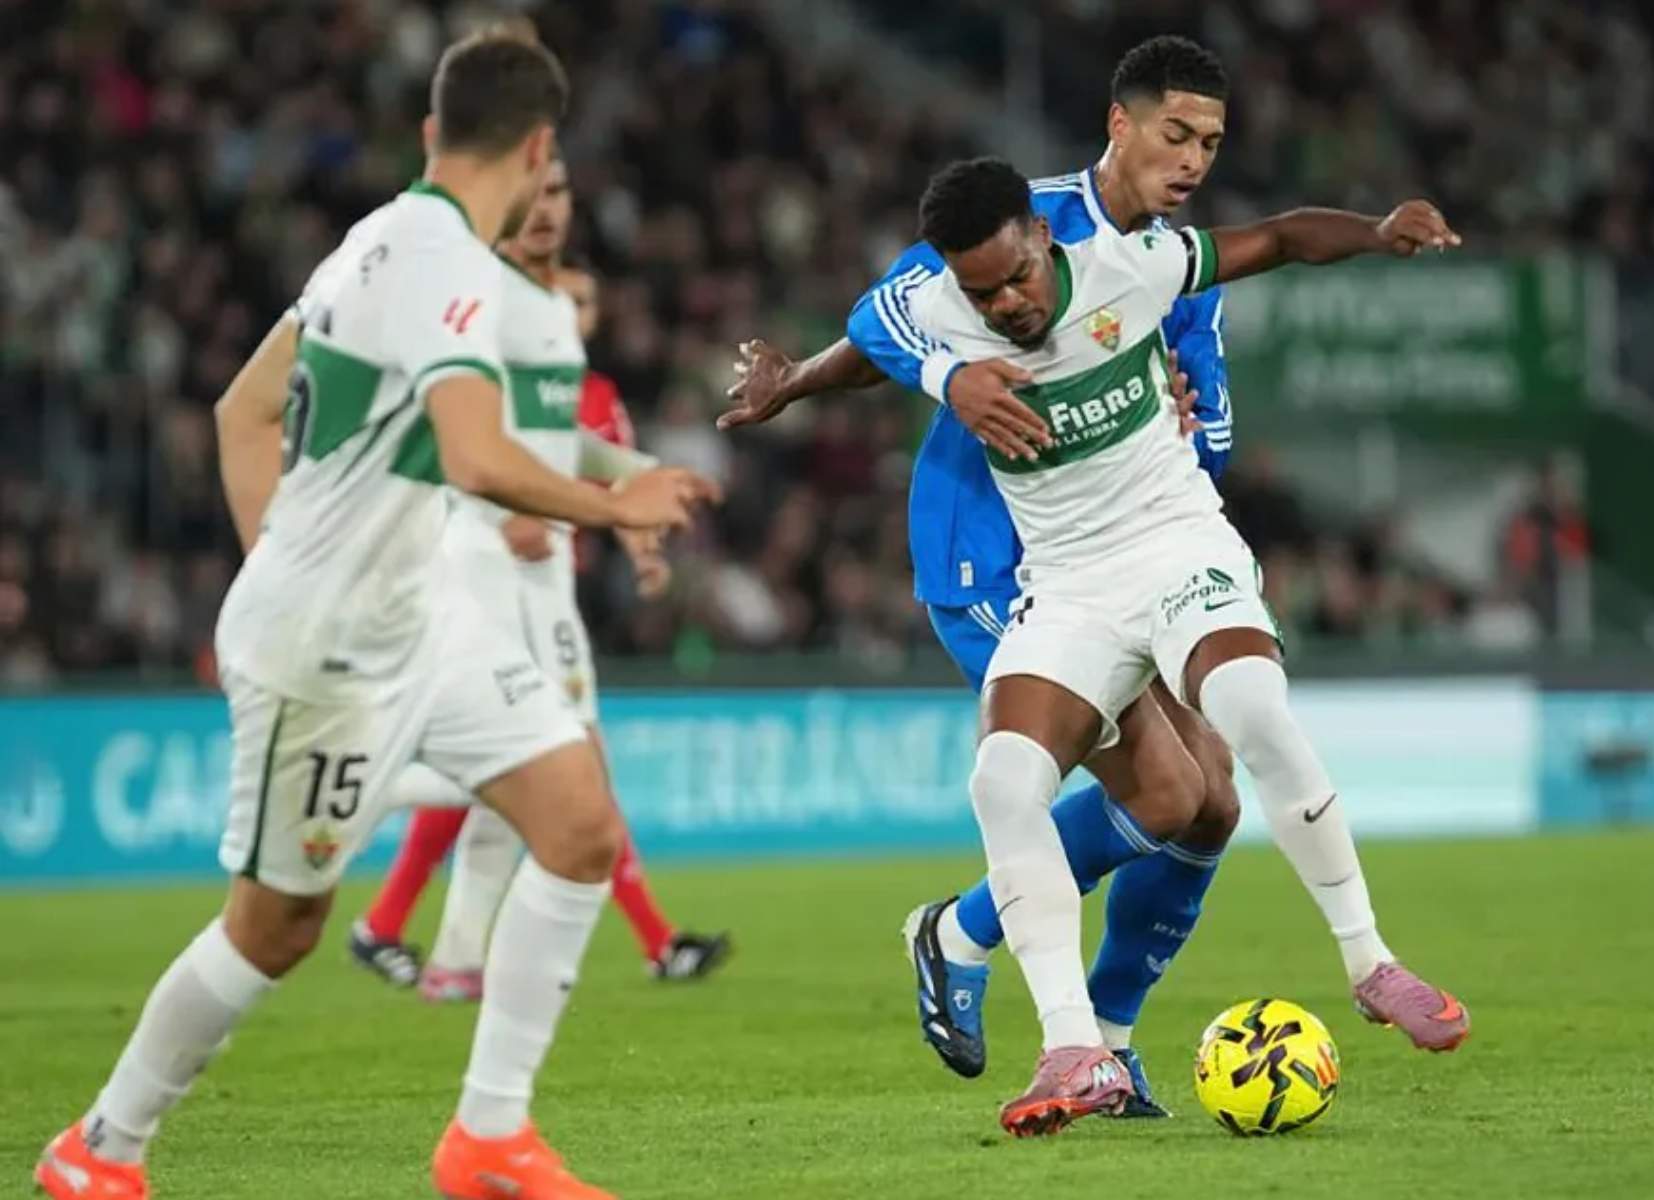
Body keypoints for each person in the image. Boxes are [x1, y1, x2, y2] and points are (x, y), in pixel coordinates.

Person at [33, 32, 714, 1200]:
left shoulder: (372, 243)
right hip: (328, 653)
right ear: (541, 145)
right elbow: (474, 453)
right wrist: (613, 502)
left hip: (415, 619)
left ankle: (488, 1139)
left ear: (431, 136)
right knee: (277, 928)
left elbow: (239, 411)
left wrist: (285, 554)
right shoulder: (442, 259)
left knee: (579, 826)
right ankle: (102, 1146)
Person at [886, 155, 1467, 1136]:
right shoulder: (940, 308)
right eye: (981, 293)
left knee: (1242, 720)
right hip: (1058, 584)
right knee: (1008, 783)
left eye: (1016, 279)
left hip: (1173, 551)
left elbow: (1276, 238)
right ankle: (1076, 1047)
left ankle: (1369, 964)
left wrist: (1376, 228)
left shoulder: (1133, 268)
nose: (1007, 305)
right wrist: (924, 373)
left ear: (1040, 238)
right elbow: (867, 336)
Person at [721, 34, 1242, 1119]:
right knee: (1164, 792)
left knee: (1212, 805)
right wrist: (817, 386)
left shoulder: (1182, 272)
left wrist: (1190, 437)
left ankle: (1103, 1039)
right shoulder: (1026, 223)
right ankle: (961, 934)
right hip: (993, 553)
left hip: (1126, 547)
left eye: (1207, 142)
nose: (1189, 160)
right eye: (1174, 134)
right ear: (1122, 126)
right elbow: (886, 321)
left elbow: (1203, 435)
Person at [345, 158, 730, 1003]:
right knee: (554, 760)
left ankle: (453, 959)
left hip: (541, 561)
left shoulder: (548, 316)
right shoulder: (471, 300)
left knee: (525, 767)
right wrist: (500, 499)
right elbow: (439, 427)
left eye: (560, 191)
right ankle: (356, 767)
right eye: (532, 193)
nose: (547, 208)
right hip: (480, 553)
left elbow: (559, 439)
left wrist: (637, 478)